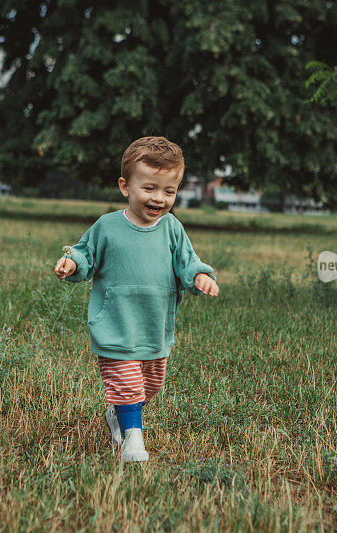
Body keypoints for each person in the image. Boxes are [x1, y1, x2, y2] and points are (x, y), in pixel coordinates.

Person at [53, 137, 220, 462]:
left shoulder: (172, 229)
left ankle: (119, 415)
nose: (159, 198)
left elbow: (188, 261)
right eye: (149, 188)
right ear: (125, 186)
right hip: (115, 324)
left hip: (153, 327)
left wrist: (200, 276)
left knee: (150, 386)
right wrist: (72, 261)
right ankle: (133, 440)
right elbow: (85, 252)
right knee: (129, 385)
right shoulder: (108, 226)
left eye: (169, 191)